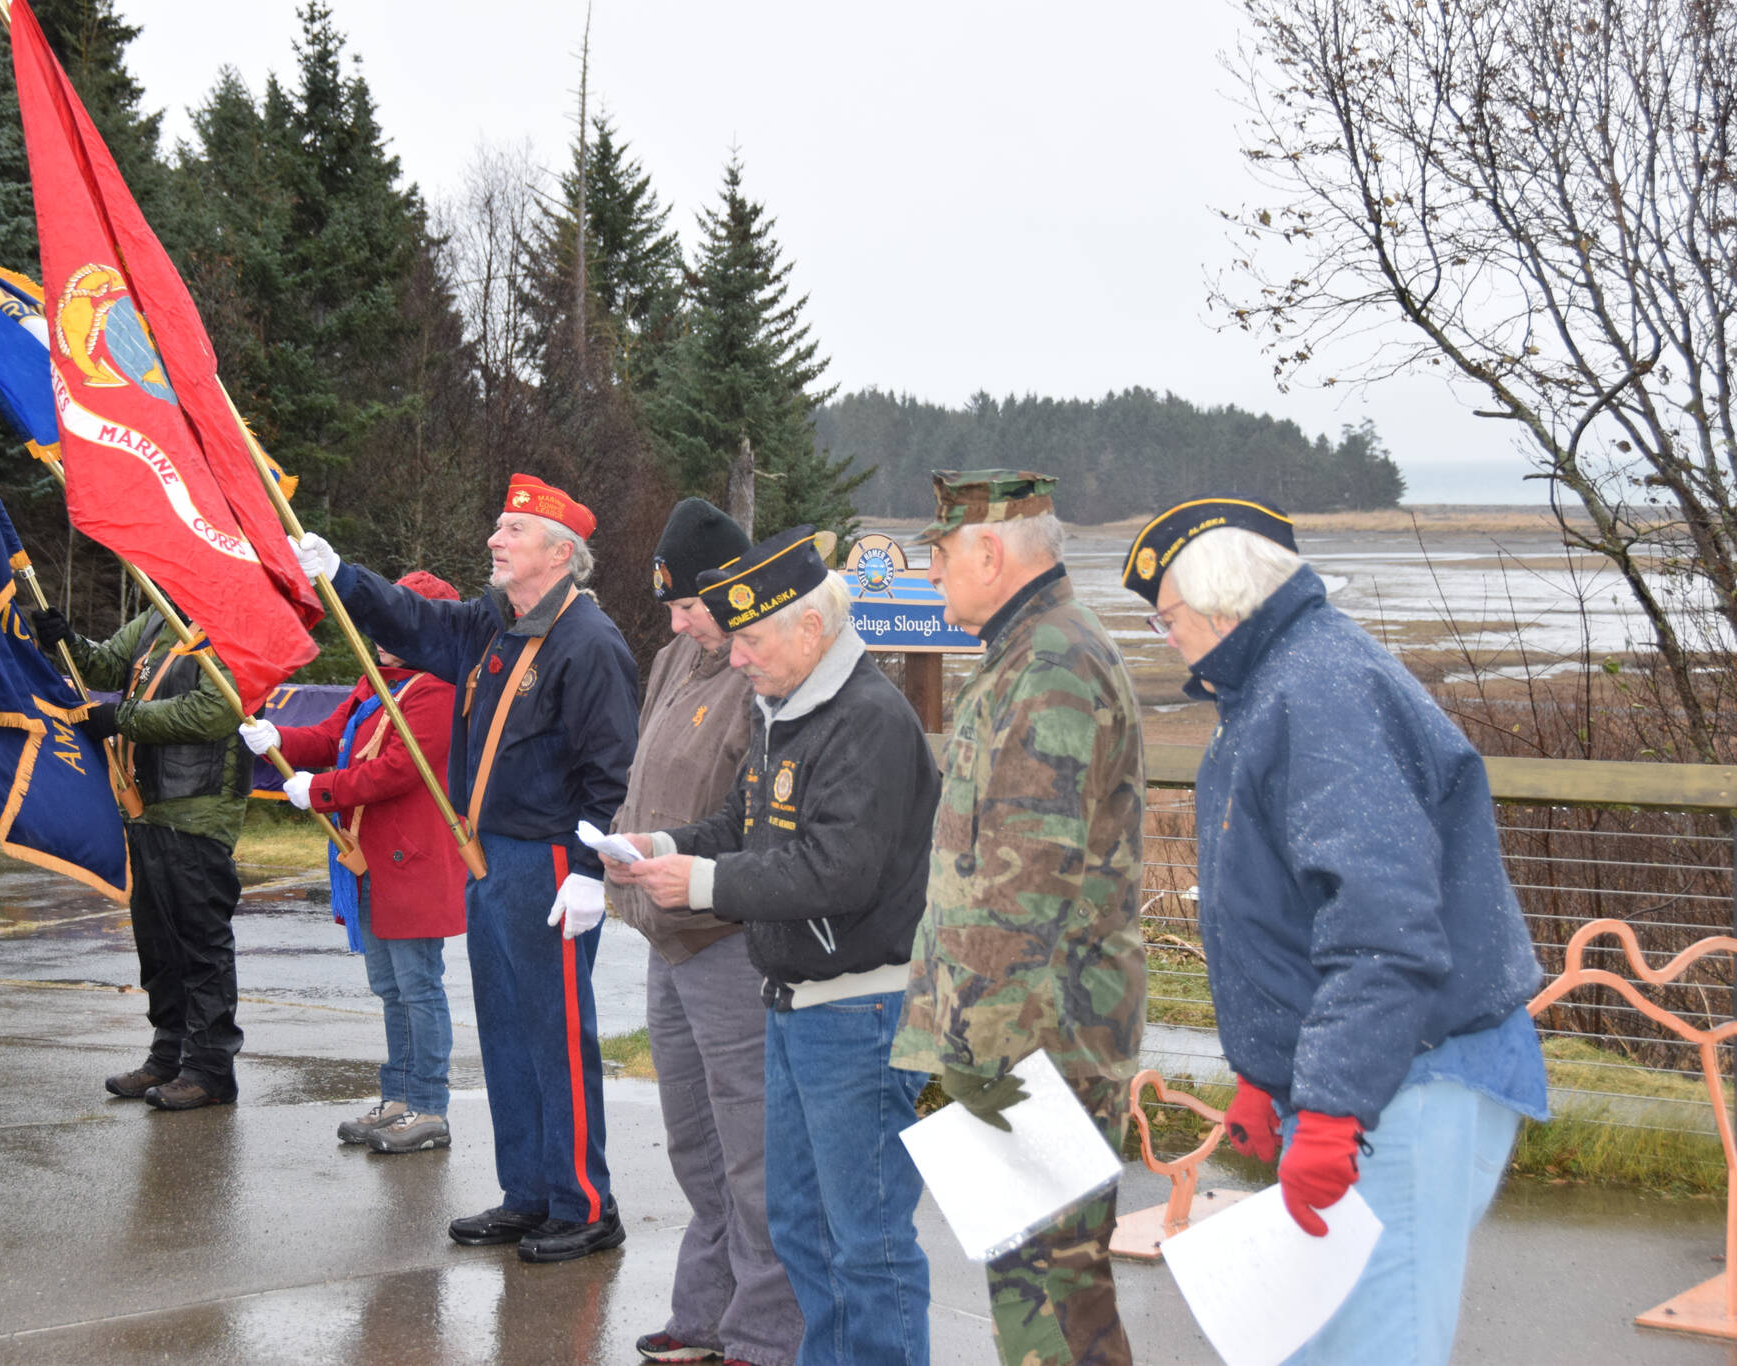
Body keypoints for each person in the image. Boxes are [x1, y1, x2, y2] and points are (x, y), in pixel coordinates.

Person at [1121, 495, 1549, 1365]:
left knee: (1374, 1349)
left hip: (1408, 1082)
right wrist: (1269, 1076)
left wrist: (1329, 1110)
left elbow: (1383, 934)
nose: (1165, 639)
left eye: (1166, 618)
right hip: (1373, 1080)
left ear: (1220, 600)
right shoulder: (1279, 682)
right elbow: (1300, 915)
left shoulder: (1321, 694)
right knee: (1317, 1344)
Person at [609, 525, 941, 1366]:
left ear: (812, 629)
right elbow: (741, 824)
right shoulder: (782, 707)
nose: (739, 657)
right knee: (800, 1225)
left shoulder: (865, 718)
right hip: (794, 1000)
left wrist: (705, 885)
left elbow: (840, 870)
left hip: (860, 1008)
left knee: (866, 1241)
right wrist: (665, 848)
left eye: (752, 639)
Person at [294, 473, 639, 1264]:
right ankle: (529, 1195)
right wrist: (342, 575)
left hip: (551, 862)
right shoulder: (495, 624)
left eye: (511, 530)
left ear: (559, 552)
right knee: (510, 1035)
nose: (494, 540)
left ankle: (586, 1204)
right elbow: (413, 622)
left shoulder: (590, 643)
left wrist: (590, 870)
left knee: (556, 1038)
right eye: (498, 527)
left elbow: (609, 773)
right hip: (489, 859)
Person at [891, 471, 1147, 1366]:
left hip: (1041, 1037)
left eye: (938, 555)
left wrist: (969, 1043)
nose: (930, 575)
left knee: (1050, 1294)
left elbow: (1025, 884)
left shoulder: (1050, 664)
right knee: (1041, 1287)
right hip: (1018, 1030)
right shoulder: (1027, 651)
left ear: (990, 553)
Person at [615, 499, 803, 1366]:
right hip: (666, 930)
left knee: (749, 1145)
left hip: (727, 936)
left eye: (692, 604)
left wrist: (694, 872)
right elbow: (644, 775)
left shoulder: (762, 675)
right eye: (674, 609)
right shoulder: (673, 662)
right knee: (693, 1137)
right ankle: (705, 1311)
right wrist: (615, 855)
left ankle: (763, 1334)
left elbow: (756, 816)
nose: (682, 621)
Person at [237, 571, 467, 1156]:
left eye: (397, 623)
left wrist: (319, 791)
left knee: (418, 986)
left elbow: (395, 771)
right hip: (369, 861)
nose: (382, 634)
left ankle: (429, 1107)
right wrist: (276, 740)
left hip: (412, 861)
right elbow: (327, 736)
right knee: (390, 987)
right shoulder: (376, 684)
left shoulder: (439, 690)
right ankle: (397, 1097)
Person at [29, 600, 252, 1110]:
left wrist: (118, 717)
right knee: (159, 945)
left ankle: (211, 1068)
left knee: (200, 944)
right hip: (142, 799)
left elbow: (213, 709)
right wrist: (66, 640)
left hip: (198, 806)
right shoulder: (158, 614)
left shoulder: (234, 616)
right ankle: (169, 1056)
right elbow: (108, 665)